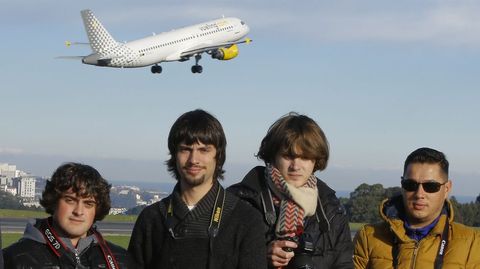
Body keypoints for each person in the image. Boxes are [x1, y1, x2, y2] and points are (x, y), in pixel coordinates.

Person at [128, 109, 267, 269]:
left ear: (218, 156)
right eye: (185, 149)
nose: (194, 159)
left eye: (204, 150)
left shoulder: (246, 220)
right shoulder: (152, 219)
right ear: (174, 155)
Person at [228, 112, 353, 269]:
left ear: (316, 160)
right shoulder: (240, 202)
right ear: (273, 156)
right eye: (288, 156)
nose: (296, 166)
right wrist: (260, 256)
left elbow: (344, 264)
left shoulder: (330, 209)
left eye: (305, 157)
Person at [353, 147, 480, 269]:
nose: (419, 194)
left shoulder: (472, 242)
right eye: (411, 184)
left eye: (430, 186)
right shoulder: (369, 237)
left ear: (446, 189)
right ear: (402, 185)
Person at [2, 162, 133, 269]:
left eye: (88, 203)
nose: (79, 211)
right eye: (70, 200)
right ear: (53, 201)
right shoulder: (13, 259)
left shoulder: (121, 260)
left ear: (97, 210)